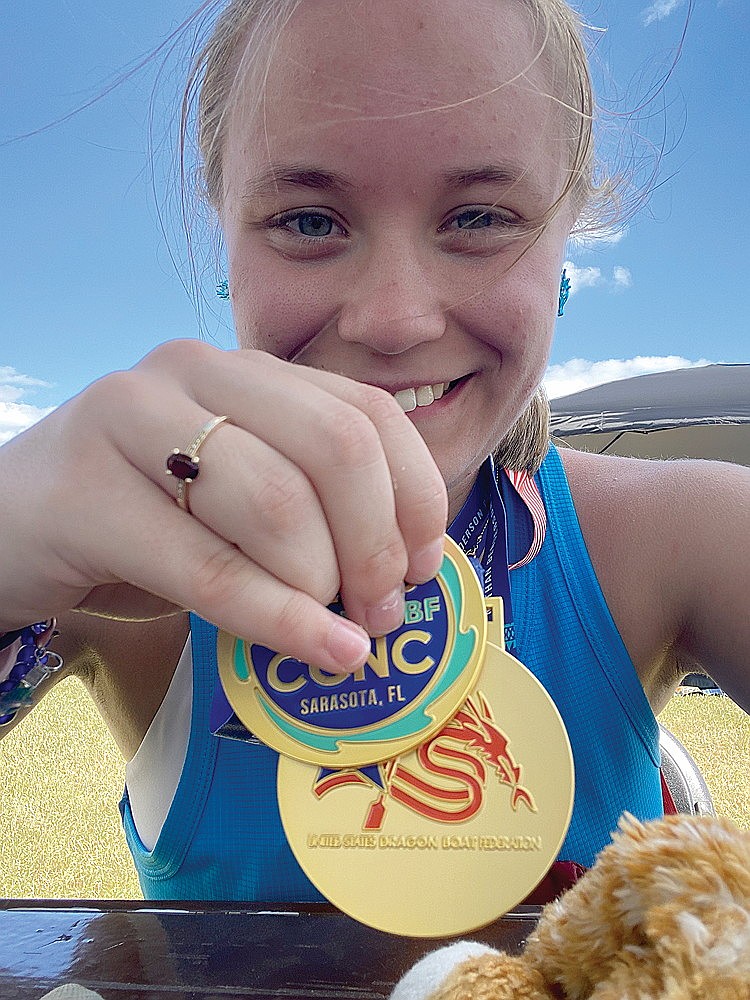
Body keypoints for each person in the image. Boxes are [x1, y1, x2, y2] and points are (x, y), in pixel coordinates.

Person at [1, 0, 748, 903]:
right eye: (310, 221)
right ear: (224, 239)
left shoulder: (683, 539)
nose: (394, 320)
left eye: (479, 217)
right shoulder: (122, 580)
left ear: (567, 236)